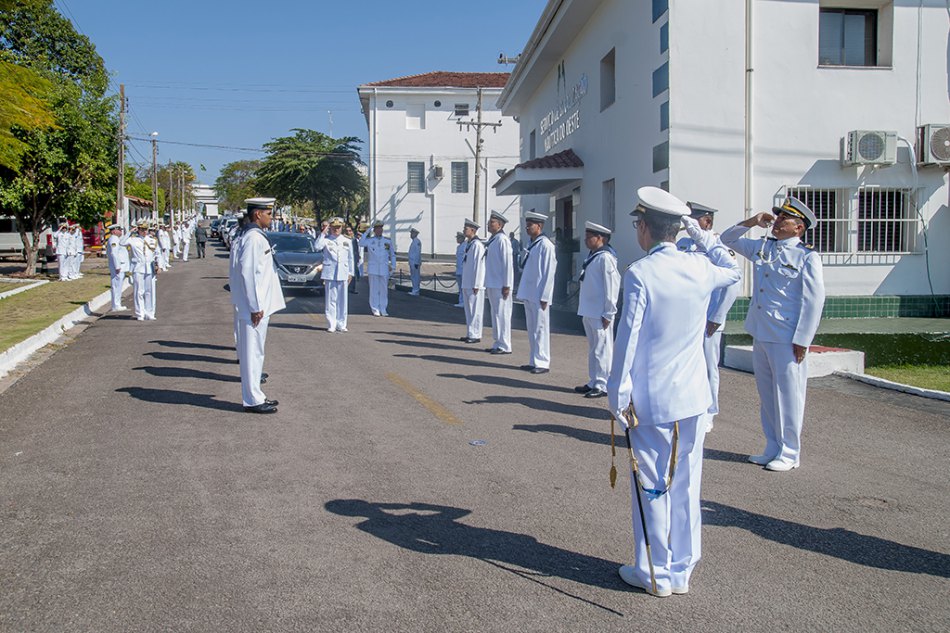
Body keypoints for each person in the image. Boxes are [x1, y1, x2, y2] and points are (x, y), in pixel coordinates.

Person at [607, 186, 741, 598]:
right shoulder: (700, 267)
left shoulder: (642, 273)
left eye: (638, 224)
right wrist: (699, 235)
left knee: (651, 485)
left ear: (645, 227)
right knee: (685, 484)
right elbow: (733, 268)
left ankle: (654, 572)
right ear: (676, 228)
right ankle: (681, 571)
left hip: (652, 401)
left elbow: (626, 340)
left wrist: (618, 395)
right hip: (693, 400)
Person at [720, 196, 825, 472]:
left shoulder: (806, 256)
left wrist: (803, 339)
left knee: (790, 395)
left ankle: (791, 452)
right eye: (777, 217)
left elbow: (813, 301)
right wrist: (752, 222)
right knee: (767, 395)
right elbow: (727, 239)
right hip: (761, 331)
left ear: (798, 228)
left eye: (784, 219)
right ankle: (772, 445)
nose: (777, 221)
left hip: (787, 337)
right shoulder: (764, 247)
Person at [677, 202, 740, 432]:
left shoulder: (718, 246)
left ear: (708, 222)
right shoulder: (683, 245)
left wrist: (717, 316)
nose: (691, 224)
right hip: (687, 317)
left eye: (696, 219)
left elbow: (733, 285)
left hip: (709, 320)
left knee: (708, 367)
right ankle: (688, 406)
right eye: (689, 219)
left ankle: (709, 411)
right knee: (687, 364)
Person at [230, 198, 285, 414]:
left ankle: (256, 395)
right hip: (255, 307)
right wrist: (255, 306)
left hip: (258, 305)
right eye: (268, 213)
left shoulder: (254, 236)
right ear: (257, 215)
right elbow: (247, 273)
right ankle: (252, 399)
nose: (271, 218)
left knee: (256, 352)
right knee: (252, 352)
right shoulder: (253, 239)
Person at [574, 221, 620, 398]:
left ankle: (602, 384)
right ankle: (593, 380)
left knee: (602, 348)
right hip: (589, 309)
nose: (586, 240)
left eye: (589, 237)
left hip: (600, 311)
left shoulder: (606, 257)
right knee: (594, 347)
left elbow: (612, 287)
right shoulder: (594, 255)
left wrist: (609, 312)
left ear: (600, 238)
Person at [515, 211, 556, 374]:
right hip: (530, 292)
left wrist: (545, 296)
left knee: (541, 329)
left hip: (539, 295)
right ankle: (534, 359)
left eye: (530, 224)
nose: (527, 227)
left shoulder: (546, 245)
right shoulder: (533, 244)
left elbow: (549, 272)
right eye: (527, 224)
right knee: (532, 329)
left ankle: (543, 362)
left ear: (539, 226)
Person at [314, 216, 354, 332]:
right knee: (331, 300)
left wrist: (351, 273)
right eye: (334, 227)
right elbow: (317, 247)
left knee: (343, 300)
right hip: (330, 273)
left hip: (343, 272)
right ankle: (332, 323)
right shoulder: (326, 240)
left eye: (338, 227)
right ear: (330, 228)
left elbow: (351, 258)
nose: (336, 230)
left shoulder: (347, 241)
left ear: (342, 228)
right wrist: (323, 233)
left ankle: (342, 323)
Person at [484, 211, 513, 355]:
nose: (489, 224)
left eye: (492, 222)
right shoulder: (494, 240)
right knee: (495, 314)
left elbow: (507, 263)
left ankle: (505, 344)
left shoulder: (503, 240)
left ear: (500, 225)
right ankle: (497, 342)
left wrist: (507, 284)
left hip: (501, 285)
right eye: (489, 222)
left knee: (503, 315)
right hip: (492, 283)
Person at [120, 221, 161, 321]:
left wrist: (159, 266)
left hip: (149, 268)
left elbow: (157, 253)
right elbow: (121, 242)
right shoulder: (133, 239)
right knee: (139, 291)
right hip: (138, 268)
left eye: (145, 229)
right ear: (138, 230)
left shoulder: (152, 240)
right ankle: (140, 313)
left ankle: (150, 312)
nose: (144, 231)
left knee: (150, 291)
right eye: (142, 229)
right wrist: (129, 232)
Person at [361, 219, 396, 317]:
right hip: (373, 269)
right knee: (374, 290)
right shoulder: (370, 241)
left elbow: (392, 255)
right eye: (377, 229)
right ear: (374, 230)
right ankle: (375, 308)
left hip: (384, 268)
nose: (379, 230)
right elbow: (361, 242)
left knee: (384, 290)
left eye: (380, 228)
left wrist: (393, 266)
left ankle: (383, 308)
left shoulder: (387, 241)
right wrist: (368, 230)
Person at [459, 219, 485, 344]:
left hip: (474, 283)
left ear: (473, 230)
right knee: (469, 310)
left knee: (475, 310)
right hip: (467, 282)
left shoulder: (477, 245)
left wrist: (477, 284)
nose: (464, 230)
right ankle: (470, 332)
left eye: (466, 228)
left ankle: (475, 334)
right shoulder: (469, 244)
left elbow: (478, 266)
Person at [106, 224, 129, 311]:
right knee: (116, 285)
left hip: (120, 265)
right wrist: (117, 266)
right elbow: (114, 253)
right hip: (118, 266)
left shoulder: (116, 239)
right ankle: (116, 305)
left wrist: (129, 233)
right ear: (114, 231)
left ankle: (117, 304)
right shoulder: (113, 239)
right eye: (119, 230)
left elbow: (123, 241)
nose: (121, 232)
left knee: (118, 285)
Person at [345, 225, 361, 294]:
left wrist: (357, 258)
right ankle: (346, 287)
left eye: (350, 231)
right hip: (346, 258)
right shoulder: (344, 239)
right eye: (347, 231)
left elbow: (356, 249)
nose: (349, 232)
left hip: (353, 258)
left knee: (353, 273)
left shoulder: (354, 239)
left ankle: (352, 288)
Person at [407, 227, 422, 295]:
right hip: (412, 262)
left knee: (415, 276)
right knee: (413, 276)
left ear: (415, 234)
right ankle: (414, 289)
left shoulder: (417, 242)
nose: (411, 234)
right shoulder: (414, 242)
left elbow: (417, 253)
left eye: (412, 233)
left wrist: (416, 262)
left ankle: (416, 290)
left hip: (415, 263)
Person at [453, 232, 465, 308]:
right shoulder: (458, 247)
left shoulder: (465, 246)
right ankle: (461, 301)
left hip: (463, 270)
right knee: (460, 287)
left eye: (458, 238)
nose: (457, 239)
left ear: (462, 238)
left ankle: (463, 302)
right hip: (458, 269)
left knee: (463, 287)